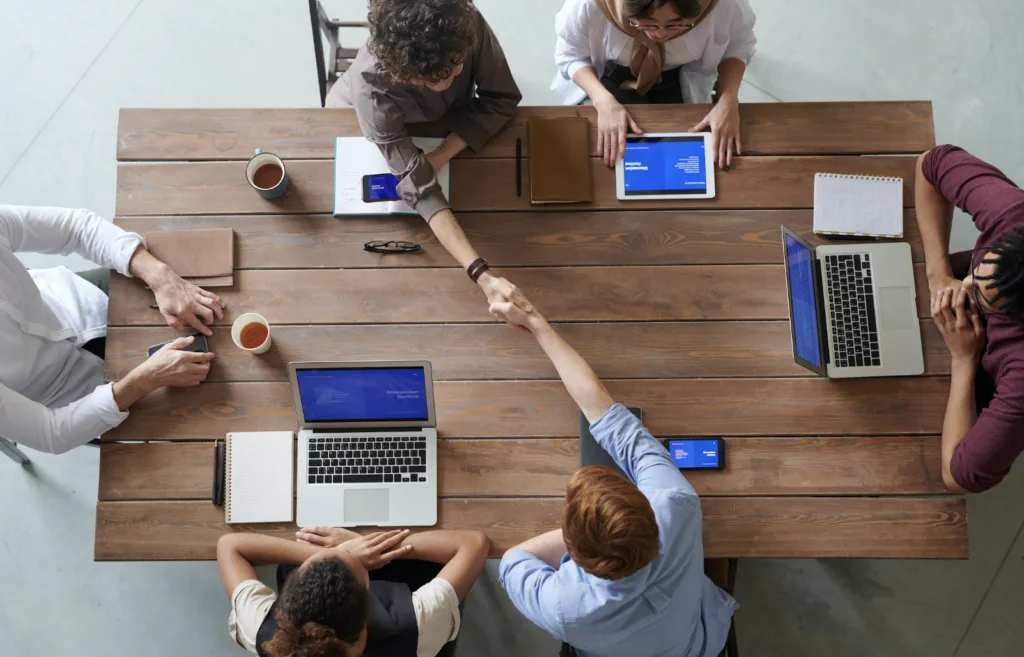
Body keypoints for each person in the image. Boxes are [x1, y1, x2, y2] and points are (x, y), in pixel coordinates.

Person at [489, 296, 736, 657]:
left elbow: (513, 560)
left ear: (571, 552)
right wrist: (535, 321)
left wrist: (534, 321)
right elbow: (610, 417)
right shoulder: (674, 503)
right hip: (696, 642)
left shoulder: (564, 608)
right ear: (646, 509)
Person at [328, 0, 528, 311]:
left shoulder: (462, 24)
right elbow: (419, 188)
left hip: (443, 124)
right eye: (431, 79)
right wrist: (482, 275)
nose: (453, 77)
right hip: (363, 120)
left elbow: (502, 98)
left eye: (456, 64)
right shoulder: (371, 88)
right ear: (403, 71)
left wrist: (440, 155)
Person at [0, 205, 224, 455]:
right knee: (193, 425)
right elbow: (52, 433)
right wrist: (144, 381)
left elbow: (75, 228)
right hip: (73, 395)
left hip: (79, 298)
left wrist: (161, 278)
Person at [915, 144, 1024, 493]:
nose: (966, 284)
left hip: (974, 365)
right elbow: (929, 163)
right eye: (978, 272)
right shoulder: (1013, 214)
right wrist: (938, 275)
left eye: (980, 296)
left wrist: (963, 358)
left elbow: (958, 476)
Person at [217, 527, 490, 657]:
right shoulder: (418, 626)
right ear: (364, 631)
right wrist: (371, 546)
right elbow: (474, 542)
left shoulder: (263, 632)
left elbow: (230, 545)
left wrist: (341, 552)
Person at [553, 0, 756, 168]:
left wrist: (728, 100)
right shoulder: (591, 5)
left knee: (682, 152)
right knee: (612, 150)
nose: (659, 34)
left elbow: (736, 49)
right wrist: (603, 102)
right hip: (611, 76)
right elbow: (571, 55)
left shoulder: (725, 5)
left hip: (677, 75)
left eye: (675, 24)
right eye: (647, 23)